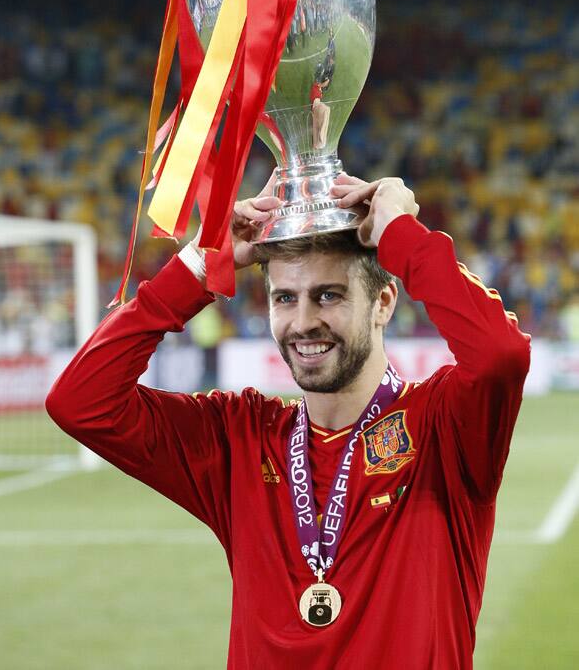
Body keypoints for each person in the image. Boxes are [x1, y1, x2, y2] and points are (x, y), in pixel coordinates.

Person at [46, 173, 530, 669]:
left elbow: (500, 354)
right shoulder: (239, 438)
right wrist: (197, 265)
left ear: (383, 302)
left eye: (329, 295)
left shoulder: (442, 427)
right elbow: (81, 403)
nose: (302, 323)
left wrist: (403, 236)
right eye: (285, 298)